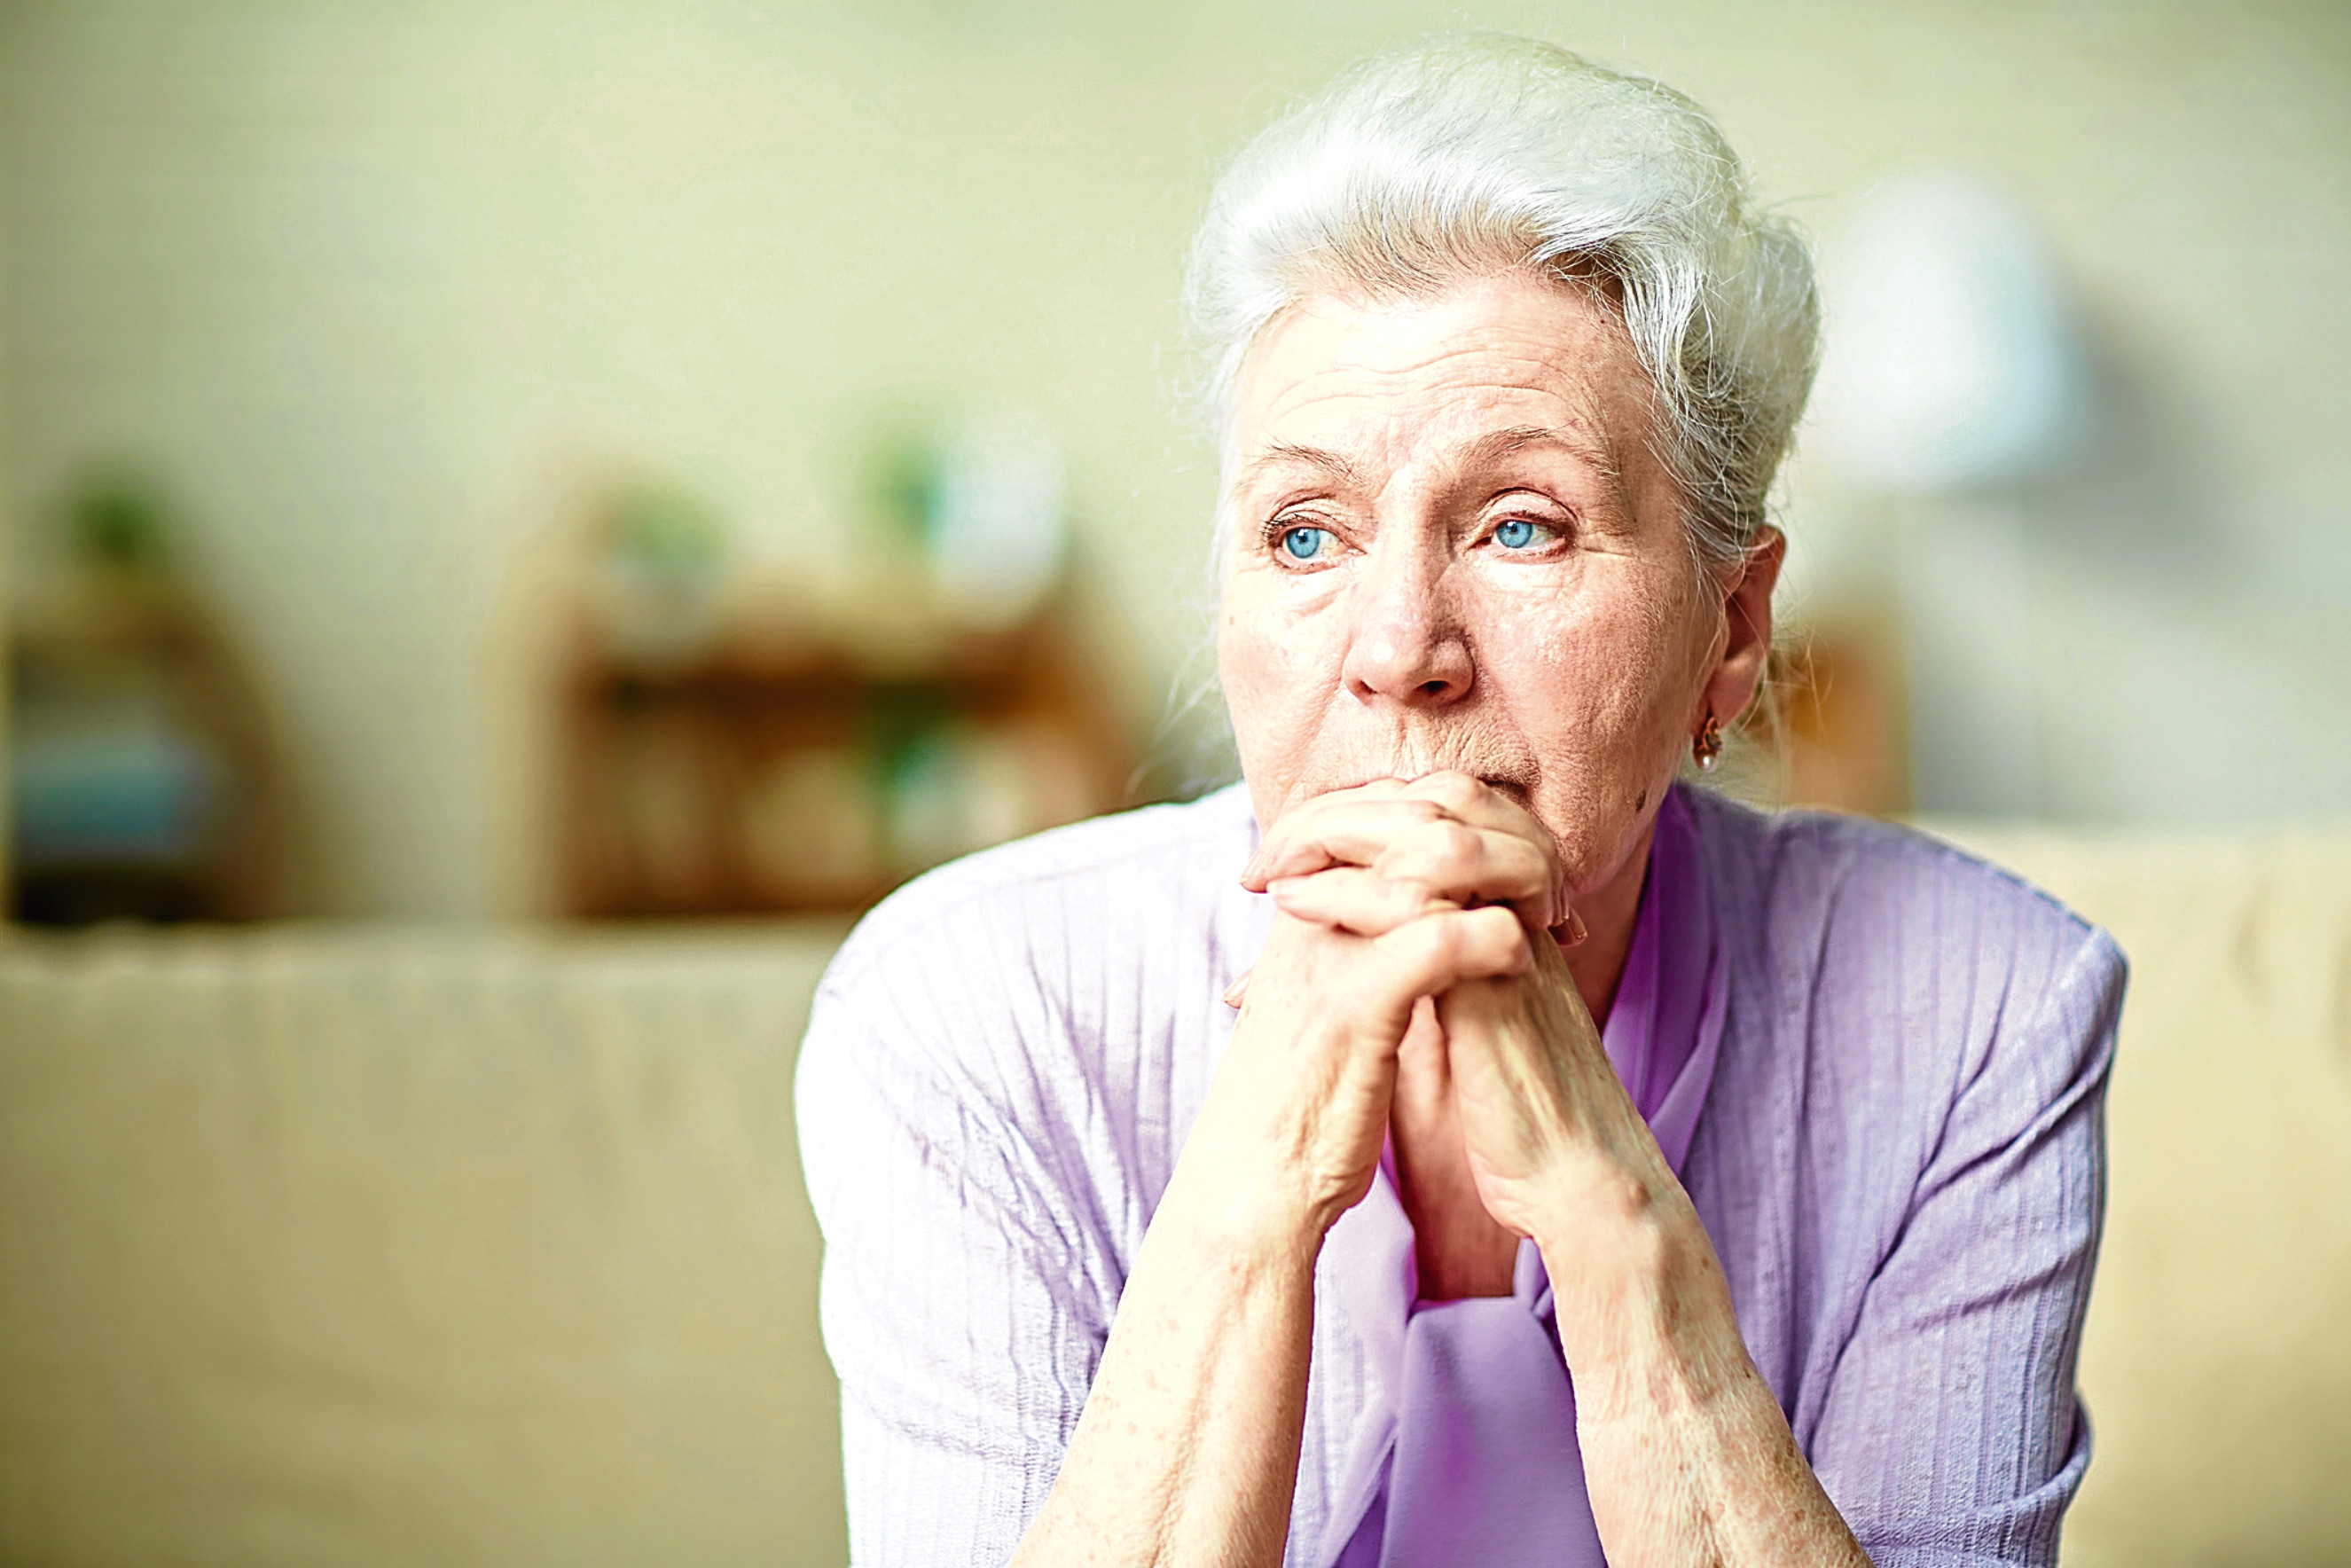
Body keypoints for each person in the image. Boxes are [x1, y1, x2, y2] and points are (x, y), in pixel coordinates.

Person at [797, 35, 2122, 1568]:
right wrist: (1255, 1186)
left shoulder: (1985, 1016)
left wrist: (1612, 1226)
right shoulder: (968, 1011)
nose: (1395, 652)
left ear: (1733, 632)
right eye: (1305, 535)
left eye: (1521, 525)